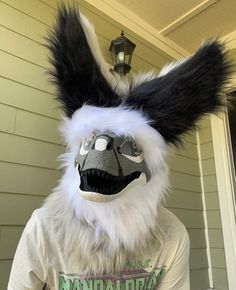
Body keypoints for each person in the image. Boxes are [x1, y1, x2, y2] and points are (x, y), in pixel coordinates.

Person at [8, 5, 232, 290]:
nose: (100, 156)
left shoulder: (171, 236)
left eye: (127, 148)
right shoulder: (43, 229)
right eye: (90, 143)